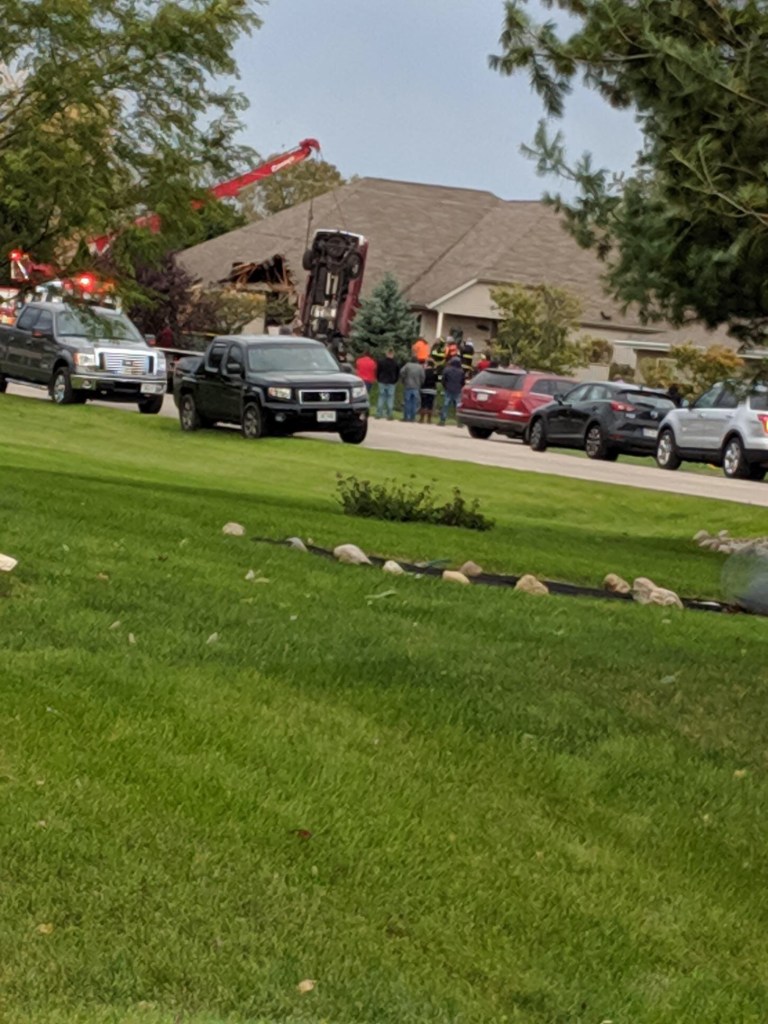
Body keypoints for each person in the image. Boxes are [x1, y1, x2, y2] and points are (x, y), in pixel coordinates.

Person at [439, 356, 465, 425]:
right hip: (458, 390)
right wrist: (460, 388)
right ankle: (459, 422)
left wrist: (445, 387)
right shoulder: (461, 371)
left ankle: (442, 420)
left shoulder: (447, 370)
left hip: (448, 389)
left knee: (446, 405)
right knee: (458, 406)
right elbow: (463, 382)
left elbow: (443, 380)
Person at [399, 355, 425, 422]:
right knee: (414, 403)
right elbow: (423, 377)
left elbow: (401, 372)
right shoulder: (420, 367)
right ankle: (412, 418)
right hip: (416, 387)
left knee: (407, 402)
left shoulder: (407, 365)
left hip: (408, 385)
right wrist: (420, 383)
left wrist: (403, 380)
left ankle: (406, 417)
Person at [376, 348, 399, 419]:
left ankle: (379, 414)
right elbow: (397, 374)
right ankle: (389, 414)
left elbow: (378, 371)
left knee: (381, 397)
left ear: (386, 354)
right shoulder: (395, 363)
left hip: (382, 381)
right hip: (391, 382)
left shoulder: (381, 362)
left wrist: (378, 379)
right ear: (393, 354)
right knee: (390, 398)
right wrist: (395, 381)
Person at [419, 359, 439, 424]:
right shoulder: (435, 372)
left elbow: (422, 379)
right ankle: (429, 420)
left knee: (423, 404)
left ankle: (421, 419)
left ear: (427, 364)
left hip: (424, 389)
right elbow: (437, 380)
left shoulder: (424, 371)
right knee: (430, 405)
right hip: (432, 390)